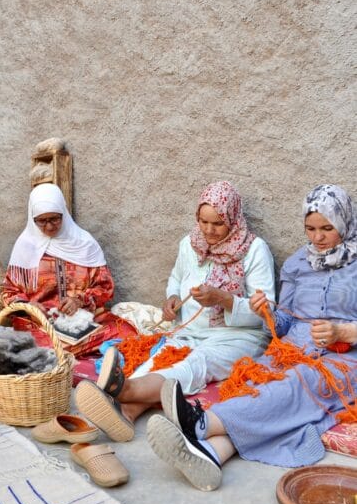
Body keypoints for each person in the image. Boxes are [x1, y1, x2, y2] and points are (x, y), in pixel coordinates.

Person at [146, 184, 357, 491]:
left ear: (345, 223)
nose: (318, 237)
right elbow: (283, 323)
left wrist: (343, 332)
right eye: (310, 229)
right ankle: (211, 455)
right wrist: (267, 314)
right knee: (256, 381)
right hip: (293, 346)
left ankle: (200, 424)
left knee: (298, 383)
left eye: (327, 228)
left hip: (343, 357)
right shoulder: (299, 263)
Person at [75, 180, 275, 441]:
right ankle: (127, 413)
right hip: (190, 331)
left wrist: (223, 299)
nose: (209, 230)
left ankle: (123, 392)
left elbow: (267, 311)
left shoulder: (254, 250)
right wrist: (171, 299)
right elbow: (177, 279)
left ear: (234, 219)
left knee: (197, 363)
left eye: (218, 223)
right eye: (203, 222)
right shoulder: (190, 243)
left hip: (237, 336)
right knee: (161, 359)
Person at [1, 183, 136, 356]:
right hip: (41, 325)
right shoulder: (25, 247)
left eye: (55, 219)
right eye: (42, 221)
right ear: (32, 218)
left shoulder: (84, 243)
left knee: (126, 333)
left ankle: (60, 354)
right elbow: (8, 292)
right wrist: (29, 306)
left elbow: (105, 287)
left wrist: (80, 300)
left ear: (63, 213)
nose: (49, 227)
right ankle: (64, 352)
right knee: (32, 343)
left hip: (84, 320)